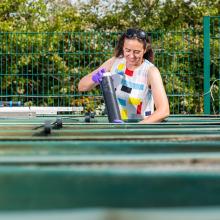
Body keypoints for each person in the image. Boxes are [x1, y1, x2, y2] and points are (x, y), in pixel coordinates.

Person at [78, 28, 170, 123]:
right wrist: (94, 79)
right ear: (123, 47)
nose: (131, 56)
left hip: (141, 130)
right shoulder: (115, 62)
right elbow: (81, 87)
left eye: (137, 52)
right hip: (116, 127)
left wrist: (135, 128)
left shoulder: (150, 71)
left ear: (145, 49)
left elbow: (164, 111)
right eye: (128, 50)